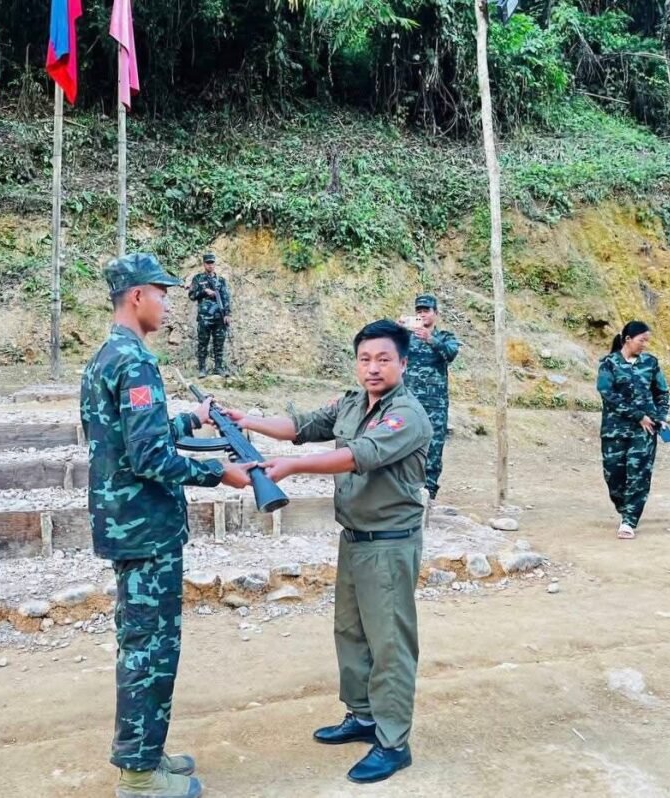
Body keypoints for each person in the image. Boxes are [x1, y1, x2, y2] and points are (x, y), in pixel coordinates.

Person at [221, 319, 432, 785]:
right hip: (354, 538)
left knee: (390, 644)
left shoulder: (407, 415)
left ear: (402, 363)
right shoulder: (352, 402)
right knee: (351, 633)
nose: (373, 368)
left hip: (390, 544)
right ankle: (363, 716)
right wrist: (246, 421)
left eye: (383, 359)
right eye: (365, 358)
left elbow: (358, 455)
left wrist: (293, 468)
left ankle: (394, 743)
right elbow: (300, 426)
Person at [80, 252, 252, 798]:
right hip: (145, 528)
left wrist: (190, 420)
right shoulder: (135, 362)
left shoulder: (108, 356)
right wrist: (218, 473)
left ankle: (147, 754)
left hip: (130, 524)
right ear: (137, 296)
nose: (168, 304)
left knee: (145, 642)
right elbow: (150, 456)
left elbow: (132, 432)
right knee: (150, 650)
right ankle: (138, 776)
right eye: (162, 293)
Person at [595, 320, 670, 539]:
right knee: (613, 476)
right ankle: (624, 508)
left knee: (639, 476)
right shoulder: (609, 364)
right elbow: (607, 394)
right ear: (628, 339)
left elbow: (662, 393)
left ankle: (629, 520)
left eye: (647, 341)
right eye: (641, 340)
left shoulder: (650, 363)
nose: (645, 345)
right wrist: (638, 416)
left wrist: (660, 417)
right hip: (614, 430)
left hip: (645, 431)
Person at [403, 294, 460, 500]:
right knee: (404, 445)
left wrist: (431, 340)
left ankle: (429, 494)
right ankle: (405, 492)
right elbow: (386, 349)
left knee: (433, 449)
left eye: (426, 311)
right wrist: (396, 329)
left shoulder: (444, 337)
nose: (422, 314)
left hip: (435, 405)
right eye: (419, 311)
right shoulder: (405, 337)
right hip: (408, 402)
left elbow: (451, 354)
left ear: (435, 313)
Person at [187, 253, 231, 377]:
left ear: (214, 264)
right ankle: (202, 369)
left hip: (219, 318)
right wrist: (204, 292)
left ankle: (218, 368)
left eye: (212, 263)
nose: (210, 265)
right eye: (208, 263)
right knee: (202, 344)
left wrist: (227, 314)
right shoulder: (198, 279)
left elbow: (226, 298)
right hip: (204, 318)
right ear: (204, 264)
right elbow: (192, 295)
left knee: (219, 344)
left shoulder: (221, 280)